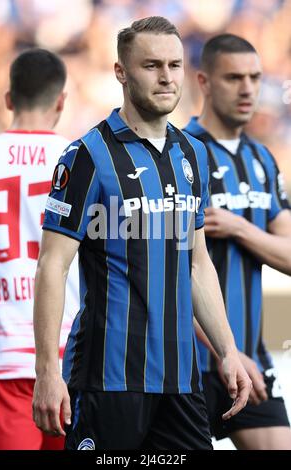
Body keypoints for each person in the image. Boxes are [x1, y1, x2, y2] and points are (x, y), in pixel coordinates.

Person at [32, 17, 252, 451]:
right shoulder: (86, 156)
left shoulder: (193, 153)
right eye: (151, 65)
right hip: (106, 378)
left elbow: (196, 262)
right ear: (121, 73)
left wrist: (227, 350)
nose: (167, 77)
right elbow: (52, 267)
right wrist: (47, 372)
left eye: (174, 64)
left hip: (180, 379)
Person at [183, 33, 291, 450]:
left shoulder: (262, 160)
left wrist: (239, 227)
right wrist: (224, 348)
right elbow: (163, 273)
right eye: (233, 77)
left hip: (250, 361)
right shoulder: (180, 154)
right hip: (185, 363)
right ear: (205, 82)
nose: (247, 88)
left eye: (255, 77)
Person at [0, 49, 79, 450]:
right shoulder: (84, 162)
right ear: (61, 100)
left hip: (2, 355)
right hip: (70, 357)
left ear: (8, 99)